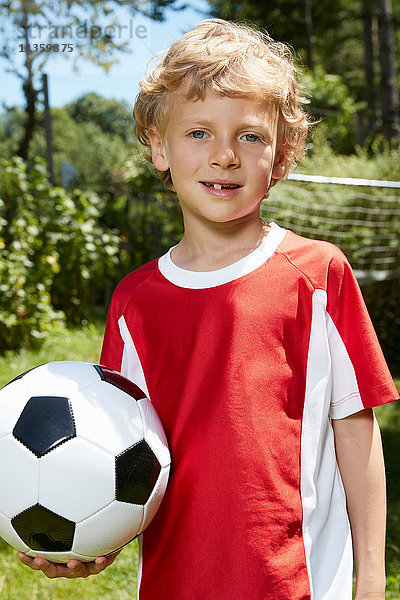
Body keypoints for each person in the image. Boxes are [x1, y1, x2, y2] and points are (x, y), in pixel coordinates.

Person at [19, 18, 398, 600]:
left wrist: (372, 581)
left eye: (250, 136)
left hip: (300, 587)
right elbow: (124, 457)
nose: (225, 156)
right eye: (199, 132)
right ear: (158, 147)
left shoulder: (319, 275)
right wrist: (94, 539)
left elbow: (356, 432)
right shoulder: (135, 302)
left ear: (282, 154)